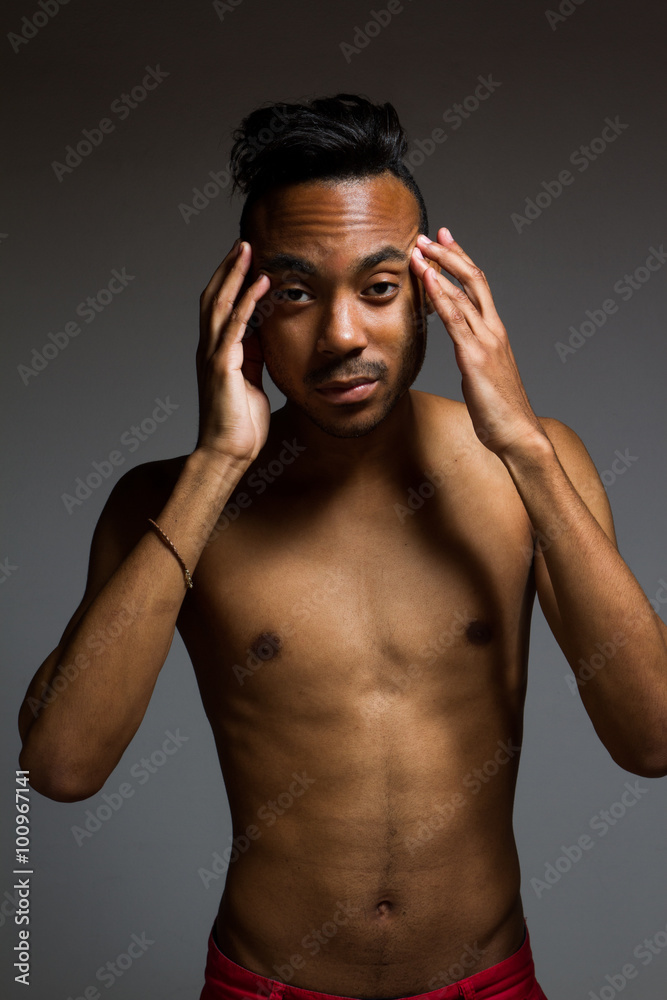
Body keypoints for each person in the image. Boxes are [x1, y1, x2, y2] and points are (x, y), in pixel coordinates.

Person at [17, 94, 667, 1000]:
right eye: (293, 293)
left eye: (378, 287)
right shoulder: (166, 503)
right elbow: (57, 769)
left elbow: (653, 739)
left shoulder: (530, 467)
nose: (342, 335)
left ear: (435, 297)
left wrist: (520, 443)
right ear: (240, 312)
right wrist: (216, 463)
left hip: (484, 982)